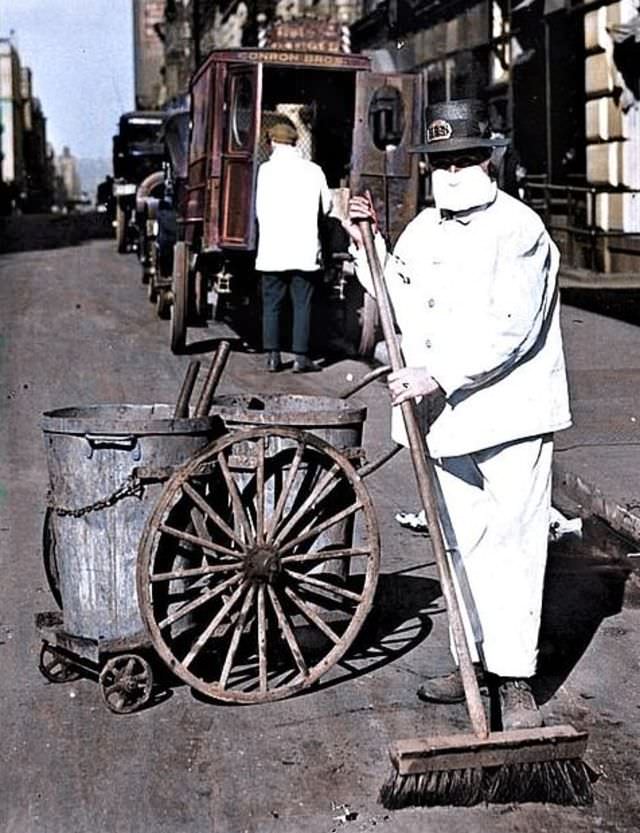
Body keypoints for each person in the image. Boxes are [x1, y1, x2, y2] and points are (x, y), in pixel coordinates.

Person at [346, 98, 571, 731]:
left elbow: (511, 329)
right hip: (443, 416)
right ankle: (471, 664)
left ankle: (516, 678)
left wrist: (437, 373)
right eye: (439, 160)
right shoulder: (423, 229)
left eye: (462, 158)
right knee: (460, 543)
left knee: (515, 545)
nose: (450, 170)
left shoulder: (519, 229)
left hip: (509, 415)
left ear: (486, 160)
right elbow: (395, 295)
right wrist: (366, 242)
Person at [255, 120, 332, 373]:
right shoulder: (314, 170)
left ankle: (273, 357)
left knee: (272, 302)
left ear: (272, 143)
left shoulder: (264, 170)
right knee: (302, 302)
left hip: (271, 250)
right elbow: (328, 206)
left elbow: (257, 211)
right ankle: (300, 358)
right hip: (304, 248)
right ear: (296, 142)